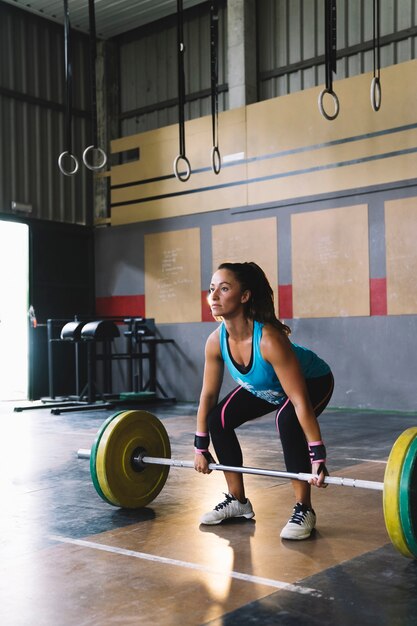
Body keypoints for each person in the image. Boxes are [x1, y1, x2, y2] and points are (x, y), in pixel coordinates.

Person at [193, 261, 334, 540]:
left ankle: (304, 508)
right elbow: (208, 395)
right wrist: (200, 446)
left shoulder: (269, 339)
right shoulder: (215, 341)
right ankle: (238, 501)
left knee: (287, 419)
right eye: (212, 289)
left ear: (244, 296)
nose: (214, 296)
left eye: (224, 289)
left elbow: (299, 400)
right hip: (266, 386)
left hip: (312, 382)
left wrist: (318, 457)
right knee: (218, 420)